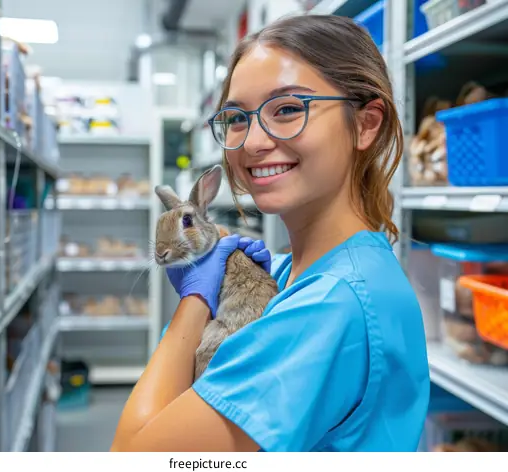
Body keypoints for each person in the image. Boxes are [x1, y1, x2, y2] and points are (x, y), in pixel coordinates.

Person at [111, 14, 430, 452]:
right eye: (237, 117)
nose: (254, 141)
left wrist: (193, 302)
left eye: (287, 110)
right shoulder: (293, 274)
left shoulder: (330, 307)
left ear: (365, 124)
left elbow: (133, 455)